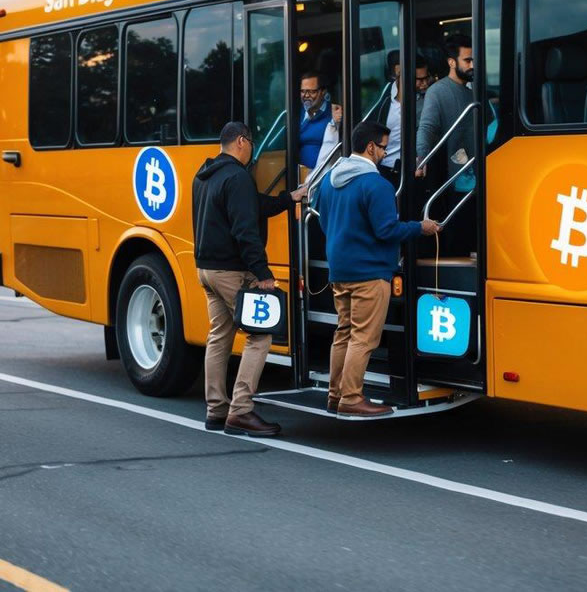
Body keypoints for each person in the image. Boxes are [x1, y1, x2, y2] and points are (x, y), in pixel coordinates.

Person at [315, 120, 441, 416]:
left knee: (343, 333)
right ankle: (351, 398)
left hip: (340, 270)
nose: (386, 153)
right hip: (370, 272)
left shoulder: (329, 180)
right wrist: (419, 227)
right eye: (383, 147)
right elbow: (387, 230)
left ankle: (335, 395)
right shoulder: (377, 184)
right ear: (370, 147)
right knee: (363, 338)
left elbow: (323, 221)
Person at [192, 121, 307, 436]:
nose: (252, 150)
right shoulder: (238, 177)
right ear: (242, 142)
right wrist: (263, 273)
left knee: (219, 336)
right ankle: (241, 411)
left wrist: (288, 198)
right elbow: (245, 231)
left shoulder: (205, 176)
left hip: (206, 269)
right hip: (231, 270)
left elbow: (255, 206)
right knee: (260, 335)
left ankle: (216, 410)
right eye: (252, 143)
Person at [415, 34, 476, 254]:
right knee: (457, 240)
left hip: (476, 177)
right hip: (455, 180)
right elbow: (427, 127)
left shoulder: (473, 93)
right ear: (452, 62)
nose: (472, 65)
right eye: (467, 60)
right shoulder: (438, 91)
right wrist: (422, 157)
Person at [378, 54, 432, 186]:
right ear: (401, 75)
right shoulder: (385, 95)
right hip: (384, 168)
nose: (424, 84)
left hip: (413, 169)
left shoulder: (428, 99)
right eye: (419, 80)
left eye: (426, 78)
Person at [299, 71, 340, 169]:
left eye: (311, 92)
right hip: (296, 176)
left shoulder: (334, 113)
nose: (306, 95)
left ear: (323, 92)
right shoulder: (295, 113)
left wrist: (337, 122)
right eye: (303, 91)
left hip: (320, 176)